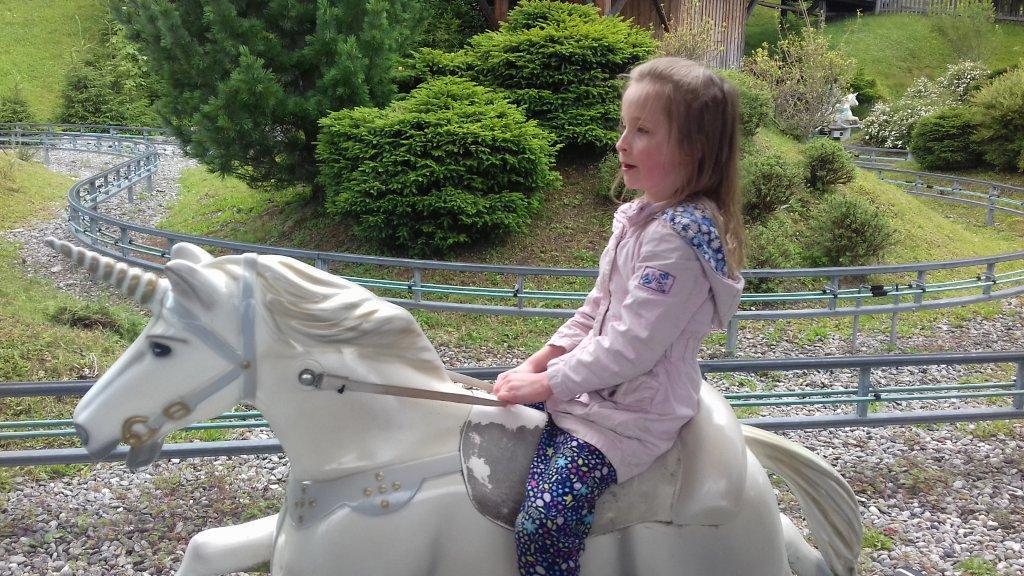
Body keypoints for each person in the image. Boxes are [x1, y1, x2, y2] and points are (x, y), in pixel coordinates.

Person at [491, 57, 747, 576]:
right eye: (624, 126)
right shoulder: (638, 219)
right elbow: (596, 310)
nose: (621, 143)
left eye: (643, 131)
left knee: (546, 520)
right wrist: (537, 363)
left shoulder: (676, 242)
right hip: (593, 393)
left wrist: (547, 384)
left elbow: (632, 348)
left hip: (631, 417)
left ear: (693, 149)